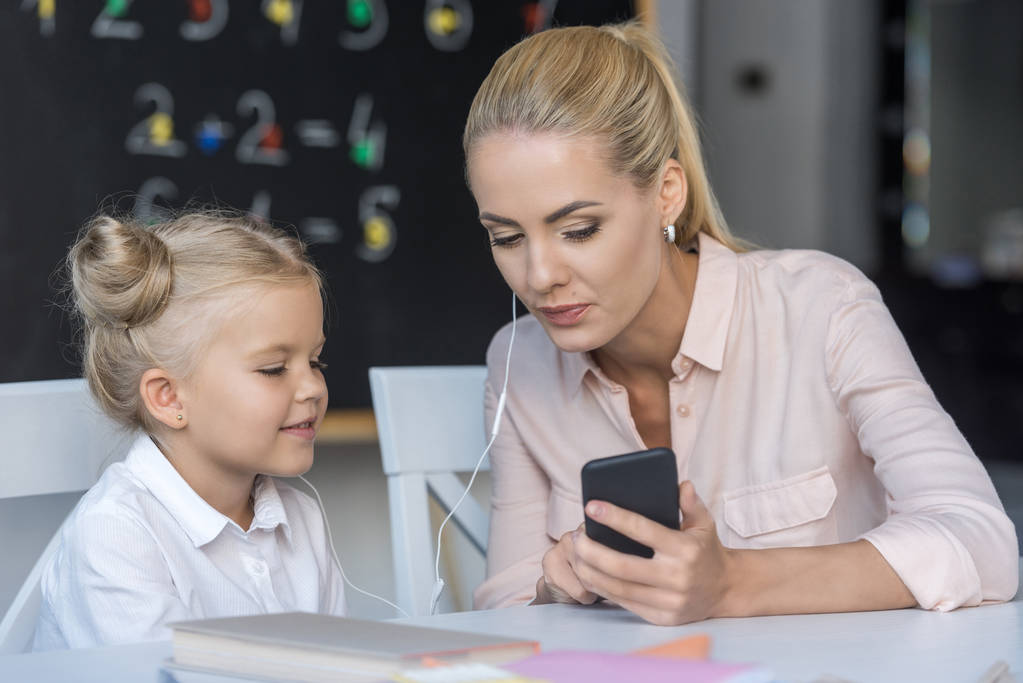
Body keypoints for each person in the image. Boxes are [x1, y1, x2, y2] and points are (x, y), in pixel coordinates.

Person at [464, 22, 1019, 625]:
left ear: (666, 194)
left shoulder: (821, 307)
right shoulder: (518, 363)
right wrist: (557, 588)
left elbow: (982, 544)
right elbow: (505, 610)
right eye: (506, 237)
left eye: (579, 230)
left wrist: (729, 584)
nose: (540, 274)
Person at [33, 211, 346, 649]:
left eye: (316, 361)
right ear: (169, 398)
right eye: (274, 369)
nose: (313, 386)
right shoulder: (115, 535)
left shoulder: (303, 521)